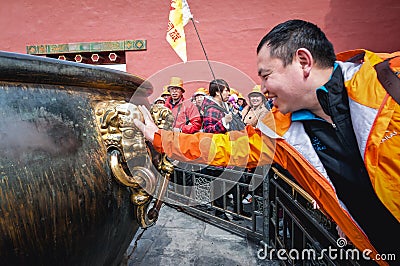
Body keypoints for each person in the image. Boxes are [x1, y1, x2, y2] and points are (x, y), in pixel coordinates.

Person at [134, 19, 399, 260]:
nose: (262, 88)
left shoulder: (390, 82)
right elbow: (224, 147)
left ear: (303, 62)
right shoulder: (280, 132)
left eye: (266, 75)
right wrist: (159, 138)